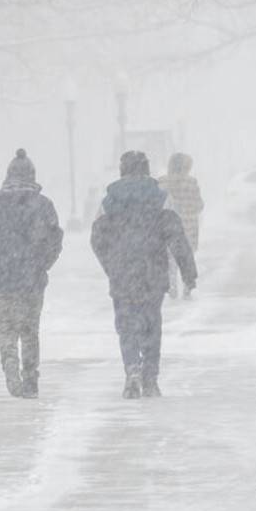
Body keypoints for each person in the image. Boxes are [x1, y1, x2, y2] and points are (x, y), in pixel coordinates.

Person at [91, 150, 198, 399]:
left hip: (122, 273)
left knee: (126, 323)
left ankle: (132, 367)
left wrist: (111, 264)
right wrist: (188, 272)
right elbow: (177, 237)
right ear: (147, 170)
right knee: (151, 324)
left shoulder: (109, 201)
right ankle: (150, 377)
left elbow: (96, 238)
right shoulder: (161, 198)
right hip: (153, 271)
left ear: (122, 170)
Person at [0, 149, 64, 398]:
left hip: (3, 279)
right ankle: (31, 377)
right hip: (33, 278)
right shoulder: (43, 205)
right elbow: (55, 239)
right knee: (30, 329)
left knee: (6, 329)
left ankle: (11, 367)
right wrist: (43, 264)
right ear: (32, 175)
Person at [158, 152, 204, 298]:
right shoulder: (191, 182)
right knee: (185, 257)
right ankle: (187, 288)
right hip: (187, 227)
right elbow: (199, 205)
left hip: (167, 226)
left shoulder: (161, 182)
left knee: (170, 259)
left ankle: (172, 287)